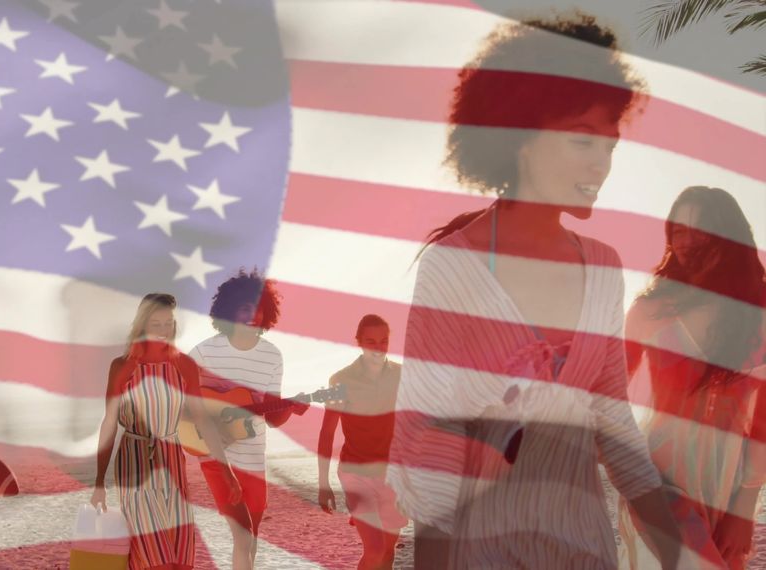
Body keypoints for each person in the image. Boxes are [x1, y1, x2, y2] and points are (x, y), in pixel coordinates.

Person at [385, 13, 683, 569]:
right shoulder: (454, 268)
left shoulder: (604, 268)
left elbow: (614, 425)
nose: (602, 163)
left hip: (584, 548)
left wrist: (679, 554)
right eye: (582, 141)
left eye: (610, 147)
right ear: (519, 136)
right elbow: (431, 442)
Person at [619, 186, 766, 570]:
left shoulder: (757, 314)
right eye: (678, 231)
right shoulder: (650, 310)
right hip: (657, 481)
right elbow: (610, 390)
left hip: (727, 488)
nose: (686, 242)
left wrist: (744, 506)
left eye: (700, 231)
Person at [90, 293, 241, 570]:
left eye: (168, 323)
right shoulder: (122, 367)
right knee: (152, 559)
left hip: (173, 463)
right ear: (142, 325)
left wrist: (226, 470)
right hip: (134, 465)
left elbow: (204, 422)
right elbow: (109, 424)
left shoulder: (184, 365)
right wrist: (99, 482)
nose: (163, 330)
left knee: (180, 559)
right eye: (155, 323)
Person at [189, 269, 305, 569]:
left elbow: (272, 419)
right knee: (242, 537)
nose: (252, 314)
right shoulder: (204, 353)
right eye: (244, 307)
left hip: (254, 458)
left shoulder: (272, 356)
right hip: (216, 456)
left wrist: (289, 407)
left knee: (251, 539)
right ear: (229, 310)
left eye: (258, 307)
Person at [317, 314, 406, 569]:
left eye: (383, 341)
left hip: (393, 475)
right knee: (375, 550)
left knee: (388, 553)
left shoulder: (402, 375)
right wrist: (323, 483)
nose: (378, 348)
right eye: (371, 341)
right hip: (356, 473)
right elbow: (327, 432)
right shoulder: (340, 380)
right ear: (358, 342)